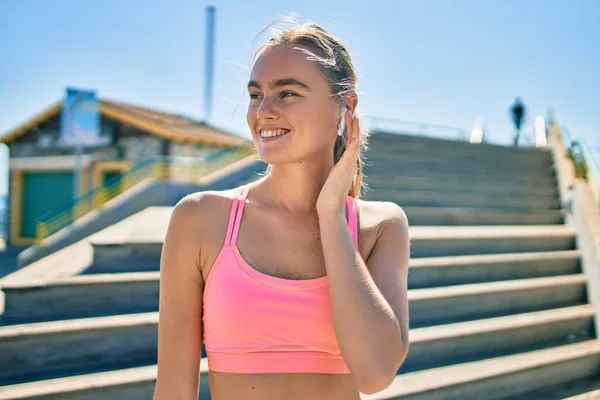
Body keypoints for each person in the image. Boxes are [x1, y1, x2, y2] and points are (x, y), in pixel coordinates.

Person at [153, 19, 410, 400]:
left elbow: (374, 374)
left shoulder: (381, 227)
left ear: (346, 106)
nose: (264, 112)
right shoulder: (200, 220)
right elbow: (173, 390)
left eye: (287, 93)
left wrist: (331, 215)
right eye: (256, 95)